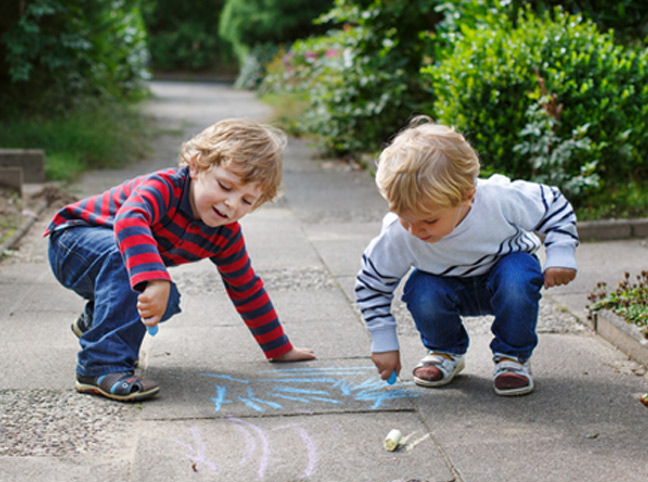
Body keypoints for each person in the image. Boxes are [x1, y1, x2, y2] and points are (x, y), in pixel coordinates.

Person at [45, 118, 315, 402]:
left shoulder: (224, 234)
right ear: (196, 166)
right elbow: (129, 220)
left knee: (166, 300)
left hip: (112, 263)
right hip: (72, 244)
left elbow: (245, 287)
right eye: (225, 186)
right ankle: (99, 366)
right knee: (144, 275)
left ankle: (95, 322)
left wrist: (278, 348)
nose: (232, 204)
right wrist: (155, 278)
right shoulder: (165, 187)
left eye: (247, 201)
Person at [355, 116, 578, 396]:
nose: (415, 230)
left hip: (503, 274)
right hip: (445, 283)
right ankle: (445, 350)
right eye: (403, 218)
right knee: (420, 288)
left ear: (467, 197)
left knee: (519, 274)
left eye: (429, 220)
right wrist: (383, 341)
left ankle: (513, 357)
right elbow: (372, 284)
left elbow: (553, 204)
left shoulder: (498, 199)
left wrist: (561, 253)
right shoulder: (399, 234)